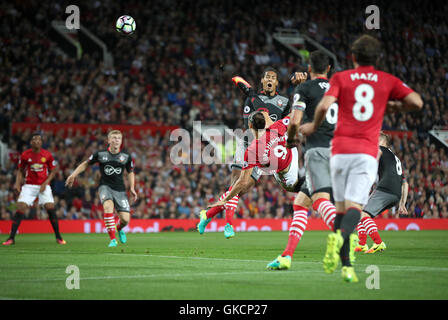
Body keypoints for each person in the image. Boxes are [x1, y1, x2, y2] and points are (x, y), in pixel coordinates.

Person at [299, 34, 423, 282]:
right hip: (366, 153)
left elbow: (324, 107)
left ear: (353, 57)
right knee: (356, 209)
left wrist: (313, 126)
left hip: (341, 149)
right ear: (376, 58)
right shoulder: (386, 80)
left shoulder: (341, 78)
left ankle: (345, 265)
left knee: (341, 208)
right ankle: (341, 243)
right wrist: (392, 106)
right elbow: (416, 102)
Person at [267, 50, 339, 270]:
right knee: (301, 203)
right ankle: (286, 256)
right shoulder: (340, 89)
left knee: (318, 200)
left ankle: (345, 235)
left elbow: (295, 122)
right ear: (328, 69)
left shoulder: (304, 89)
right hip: (341, 150)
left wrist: (290, 141)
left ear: (309, 69)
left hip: (318, 150)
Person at [198, 67, 290, 238]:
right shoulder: (252, 99)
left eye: (273, 77)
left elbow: (286, 125)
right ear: (262, 81)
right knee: (236, 182)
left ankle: (207, 215)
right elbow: (249, 123)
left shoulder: (284, 102)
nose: (270, 79)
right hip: (248, 143)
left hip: (265, 149)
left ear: (276, 82)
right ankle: (228, 225)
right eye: (267, 77)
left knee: (244, 188)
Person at [209, 111, 304, 221]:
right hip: (291, 153)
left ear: (250, 126)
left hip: (286, 173)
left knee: (297, 189)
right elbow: (295, 114)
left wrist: (225, 199)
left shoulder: (253, 151)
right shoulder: (277, 126)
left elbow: (242, 182)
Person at [65, 130, 137, 247]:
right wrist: (73, 175)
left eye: (118, 138)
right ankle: (113, 239)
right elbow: (85, 164)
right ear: (109, 140)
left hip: (120, 189)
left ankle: (119, 228)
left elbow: (130, 172)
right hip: (105, 186)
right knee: (108, 207)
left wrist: (132, 187)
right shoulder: (100, 154)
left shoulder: (126, 157)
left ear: (121, 141)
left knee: (125, 220)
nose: (116, 140)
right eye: (113, 138)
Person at [3, 133, 65, 245]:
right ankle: (11, 238)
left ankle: (58, 237)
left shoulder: (47, 155)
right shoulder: (25, 155)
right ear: (31, 142)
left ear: (41, 142)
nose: (36, 141)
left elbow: (53, 171)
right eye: (34, 139)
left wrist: (45, 183)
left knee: (50, 208)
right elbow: (20, 170)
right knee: (21, 207)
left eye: (39, 139)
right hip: (29, 185)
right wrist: (17, 183)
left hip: (44, 185)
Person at [355, 132, 409, 253]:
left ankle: (378, 243)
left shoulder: (379, 150)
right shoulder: (395, 158)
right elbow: (405, 183)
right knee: (360, 213)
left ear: (381, 141)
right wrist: (402, 203)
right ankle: (362, 244)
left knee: (363, 215)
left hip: (385, 189)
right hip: (396, 194)